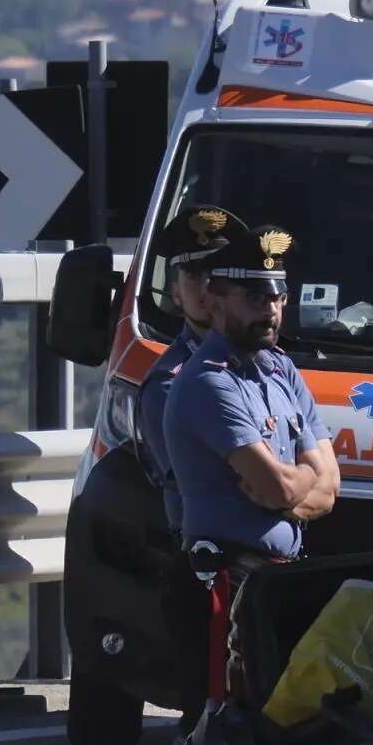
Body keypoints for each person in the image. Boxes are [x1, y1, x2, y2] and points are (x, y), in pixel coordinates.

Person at [165, 223, 338, 563]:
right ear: (212, 299)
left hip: (278, 573)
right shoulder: (209, 381)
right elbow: (281, 487)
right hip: (228, 574)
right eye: (255, 298)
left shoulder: (280, 370)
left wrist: (285, 497)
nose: (270, 311)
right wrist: (303, 478)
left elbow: (329, 488)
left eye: (278, 298)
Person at [136, 206, 246, 531]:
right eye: (193, 275)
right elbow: (228, 489)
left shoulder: (271, 365)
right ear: (176, 294)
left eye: (216, 273)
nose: (206, 286)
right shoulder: (169, 383)